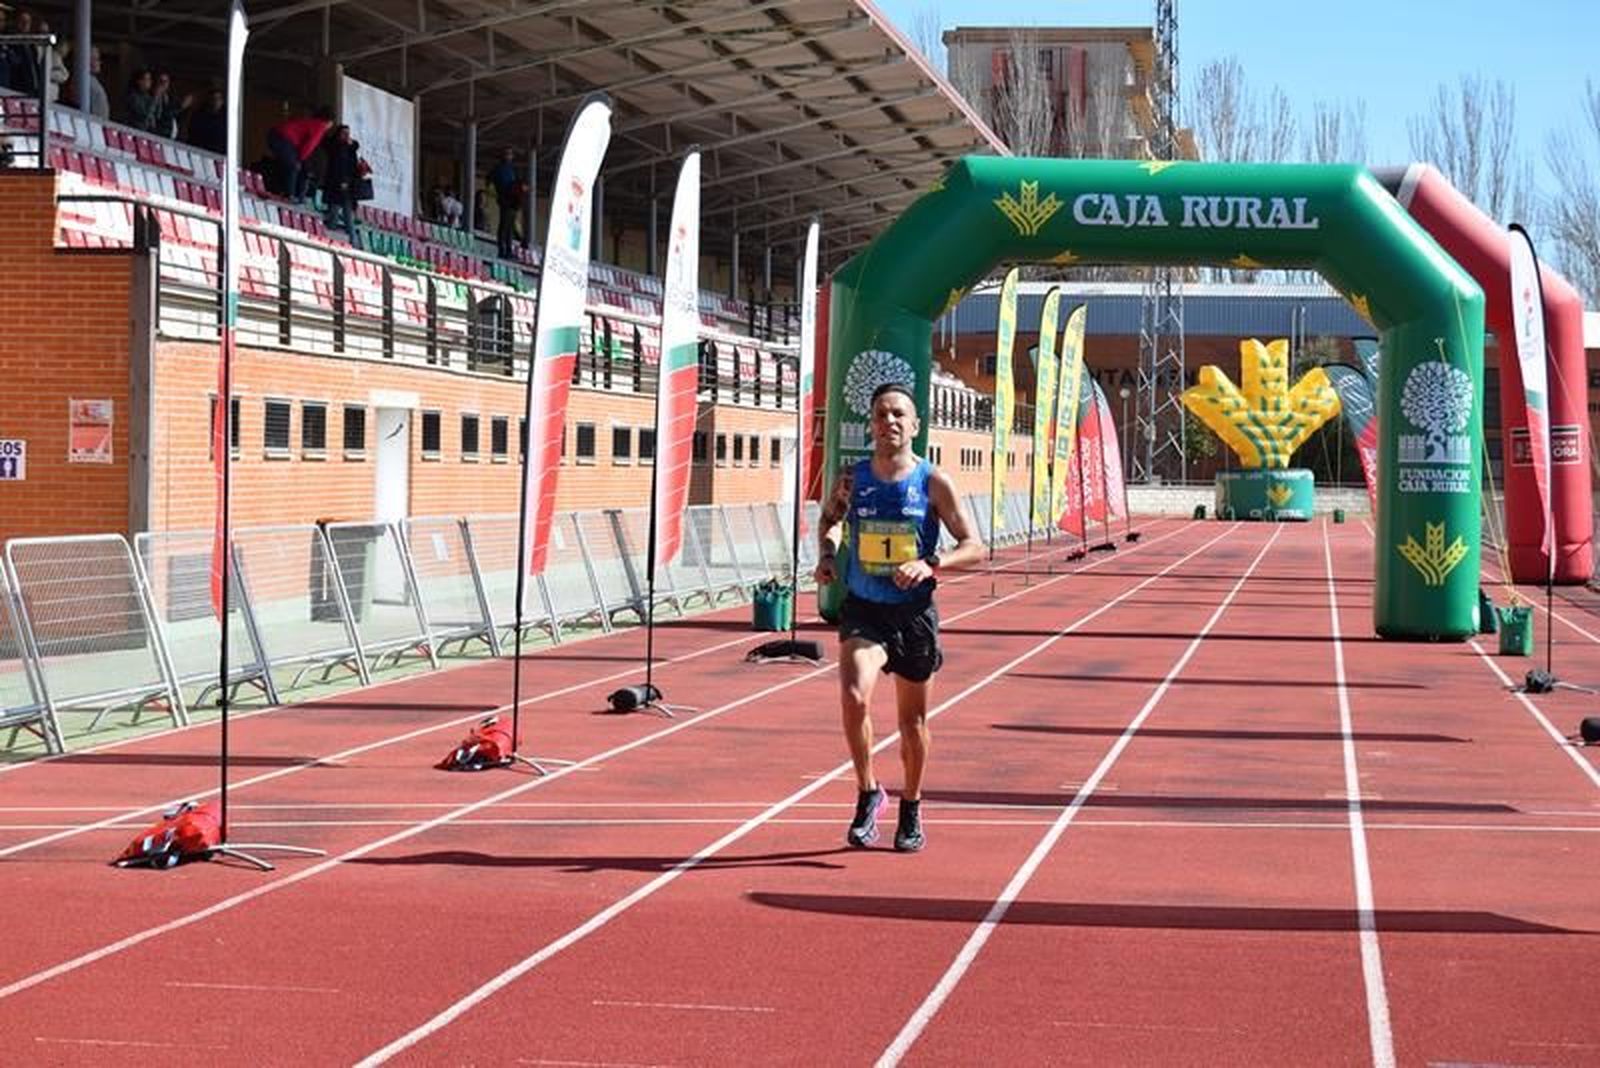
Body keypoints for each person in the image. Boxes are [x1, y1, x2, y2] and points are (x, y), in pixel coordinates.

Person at [814, 381, 984, 852]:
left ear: (914, 426)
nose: (888, 422)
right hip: (865, 607)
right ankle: (869, 792)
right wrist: (828, 556)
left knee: (913, 724)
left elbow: (975, 547)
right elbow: (829, 521)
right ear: (871, 424)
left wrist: (931, 564)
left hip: (913, 613)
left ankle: (911, 805)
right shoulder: (852, 479)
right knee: (853, 695)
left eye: (897, 415)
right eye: (880, 415)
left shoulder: (932, 482)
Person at [266, 105, 332, 203]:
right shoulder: (320, 126)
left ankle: (286, 192)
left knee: (291, 165)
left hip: (279, 136)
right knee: (294, 166)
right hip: (281, 137)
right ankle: (289, 195)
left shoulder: (313, 123)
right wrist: (301, 159)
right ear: (329, 122)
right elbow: (310, 145)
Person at [487, 147, 521, 259]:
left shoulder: (511, 169)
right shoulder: (498, 169)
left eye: (510, 154)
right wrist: (497, 195)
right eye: (507, 154)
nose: (509, 156)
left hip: (512, 202)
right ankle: (503, 250)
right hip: (505, 200)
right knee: (504, 226)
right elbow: (489, 183)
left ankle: (508, 250)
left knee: (510, 227)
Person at [187, 88, 226, 155]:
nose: (215, 101)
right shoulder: (199, 116)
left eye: (218, 99)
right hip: (200, 152)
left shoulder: (226, 118)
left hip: (219, 154)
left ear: (222, 101)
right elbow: (192, 135)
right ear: (209, 100)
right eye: (213, 99)